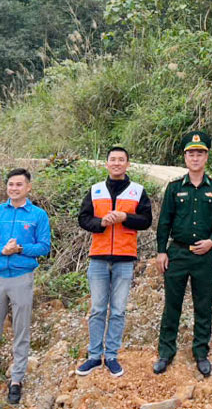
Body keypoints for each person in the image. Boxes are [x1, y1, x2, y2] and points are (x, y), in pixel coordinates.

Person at [0, 169, 51, 405]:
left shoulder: (38, 215)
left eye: (19, 185)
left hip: (22, 277)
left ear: (28, 188)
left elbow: (44, 247)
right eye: (10, 184)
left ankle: (16, 380)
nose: (14, 188)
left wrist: (20, 249)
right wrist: (2, 250)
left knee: (21, 330)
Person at [154, 131, 212, 377]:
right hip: (177, 254)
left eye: (200, 153)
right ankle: (166, 352)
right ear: (185, 157)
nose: (195, 157)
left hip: (204, 257)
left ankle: (201, 353)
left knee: (203, 305)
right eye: (191, 153)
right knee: (172, 305)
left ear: (206, 156)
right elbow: (164, 221)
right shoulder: (175, 187)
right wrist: (161, 252)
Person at [75, 145, 153, 379]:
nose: (117, 163)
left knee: (118, 310)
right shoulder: (95, 190)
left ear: (127, 164)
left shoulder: (137, 191)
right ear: (106, 163)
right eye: (113, 159)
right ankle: (94, 356)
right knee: (98, 309)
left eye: (121, 160)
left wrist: (124, 217)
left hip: (124, 259)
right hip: (98, 257)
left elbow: (146, 221)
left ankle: (111, 356)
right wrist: (102, 223)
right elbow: (83, 219)